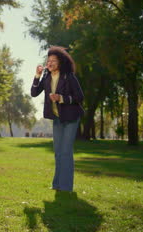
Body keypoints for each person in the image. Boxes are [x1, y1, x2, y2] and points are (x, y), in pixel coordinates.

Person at [31, 46, 84, 192]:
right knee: (58, 152)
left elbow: (80, 97)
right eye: (49, 60)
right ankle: (57, 185)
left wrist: (61, 98)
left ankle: (66, 187)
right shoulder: (47, 77)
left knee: (66, 151)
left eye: (54, 60)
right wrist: (37, 75)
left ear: (61, 62)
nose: (50, 63)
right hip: (58, 118)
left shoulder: (69, 76)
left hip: (71, 118)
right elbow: (34, 93)